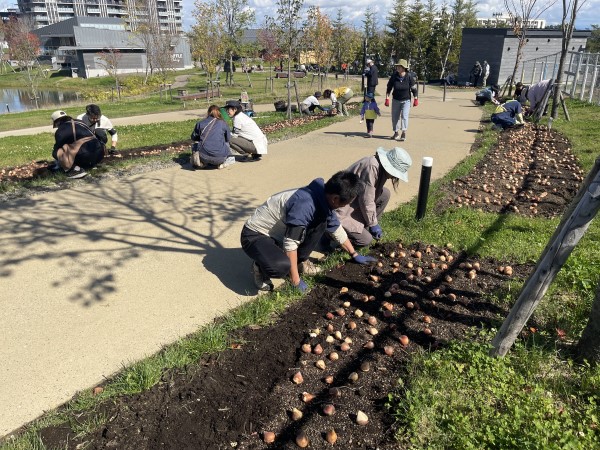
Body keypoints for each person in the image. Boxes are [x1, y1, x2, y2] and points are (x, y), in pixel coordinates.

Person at [240, 171, 377, 292]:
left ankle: (300, 262)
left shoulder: (323, 198)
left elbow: (335, 228)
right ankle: (260, 266)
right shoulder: (304, 205)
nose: (346, 205)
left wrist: (354, 253)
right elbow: (290, 244)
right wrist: (296, 281)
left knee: (321, 224)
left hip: (279, 234)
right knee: (280, 267)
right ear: (335, 198)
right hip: (255, 235)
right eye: (346, 203)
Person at [336, 147, 412, 247]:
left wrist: (372, 222)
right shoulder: (371, 166)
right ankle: (334, 235)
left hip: (356, 202)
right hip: (341, 210)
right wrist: (373, 224)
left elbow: (371, 195)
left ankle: (366, 227)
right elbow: (366, 200)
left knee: (385, 194)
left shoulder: (381, 169)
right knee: (366, 240)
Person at [51, 110, 105, 179]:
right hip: (100, 153)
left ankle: (75, 169)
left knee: (56, 152)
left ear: (57, 122)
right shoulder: (80, 122)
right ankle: (91, 165)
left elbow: (58, 147)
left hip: (85, 156)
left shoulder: (61, 129)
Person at [190, 105, 234, 169]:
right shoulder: (223, 123)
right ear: (219, 113)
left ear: (208, 112)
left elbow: (193, 137)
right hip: (220, 158)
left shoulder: (200, 123)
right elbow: (228, 138)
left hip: (203, 156)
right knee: (226, 143)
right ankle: (221, 163)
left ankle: (202, 162)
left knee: (195, 145)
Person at [385, 59, 418, 142]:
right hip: (396, 100)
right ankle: (396, 133)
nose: (397, 67)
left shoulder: (409, 77)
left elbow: (414, 89)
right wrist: (387, 98)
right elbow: (389, 87)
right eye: (397, 66)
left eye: (399, 66)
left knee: (404, 116)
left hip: (406, 100)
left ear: (403, 68)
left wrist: (416, 99)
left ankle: (403, 132)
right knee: (395, 117)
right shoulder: (394, 76)